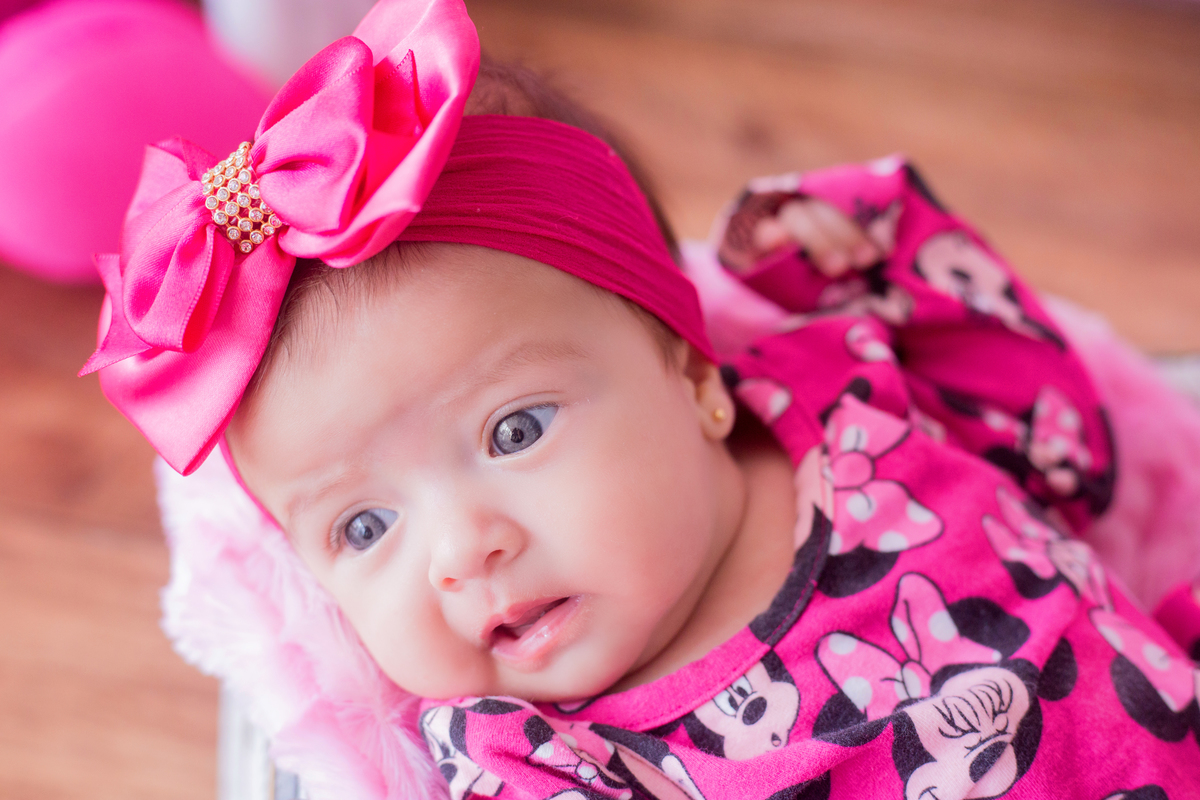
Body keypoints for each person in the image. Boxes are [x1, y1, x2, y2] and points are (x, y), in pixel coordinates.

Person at [83, 0, 1200, 797]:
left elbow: (1066, 447)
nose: (462, 553)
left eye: (514, 428)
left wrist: (845, 252)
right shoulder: (538, 755)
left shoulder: (842, 381)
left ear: (695, 374)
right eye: (362, 525)